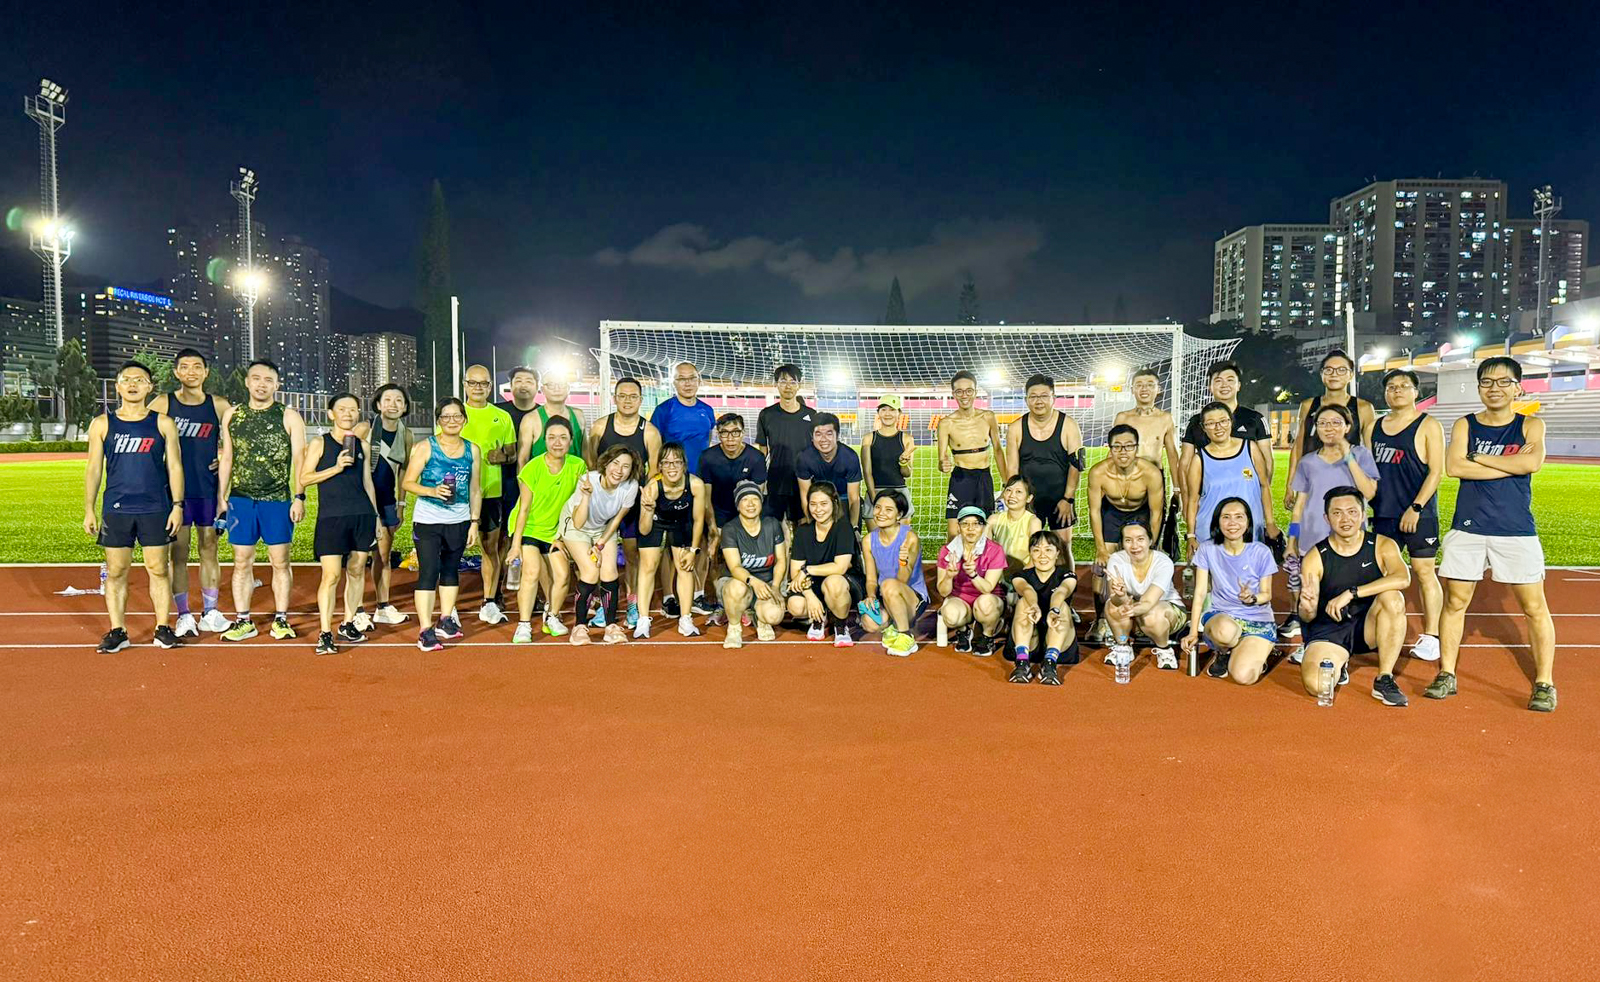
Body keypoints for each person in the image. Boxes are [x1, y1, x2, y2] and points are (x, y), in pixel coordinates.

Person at [1427, 357, 1557, 712]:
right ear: (1479, 387)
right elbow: (1454, 467)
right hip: (1468, 527)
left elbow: (1531, 463)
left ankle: (1544, 682)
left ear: (1518, 388)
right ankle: (1446, 673)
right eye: (1487, 382)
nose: (1494, 388)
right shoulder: (1465, 424)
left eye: (1503, 382)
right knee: (1455, 603)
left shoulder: (1531, 424)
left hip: (1516, 529)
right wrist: (1510, 465)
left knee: (1534, 607)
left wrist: (1479, 458)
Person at [83, 361, 185, 652]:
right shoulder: (102, 424)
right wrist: (89, 508)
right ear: (117, 387)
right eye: (127, 379)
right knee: (116, 571)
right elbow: (94, 469)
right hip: (117, 508)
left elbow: (175, 467)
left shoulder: (163, 423)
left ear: (149, 387)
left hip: (155, 507)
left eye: (140, 380)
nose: (132, 384)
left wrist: (177, 505)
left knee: (159, 569)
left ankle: (162, 629)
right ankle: (118, 631)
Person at [1296, 487, 1412, 707]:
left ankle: (1384, 678)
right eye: (1337, 513)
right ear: (1326, 518)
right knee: (1318, 686)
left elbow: (1403, 578)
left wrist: (1352, 593)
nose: (1345, 519)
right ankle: (1339, 663)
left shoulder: (1382, 545)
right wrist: (1307, 608)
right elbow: (1307, 617)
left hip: (1368, 627)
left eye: (1351, 512)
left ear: (1362, 514)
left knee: (1393, 597)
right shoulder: (1315, 557)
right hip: (1331, 629)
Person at [217, 359, 307, 642]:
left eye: (268, 380)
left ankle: (281, 619)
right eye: (256, 378)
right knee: (241, 561)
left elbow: (300, 460)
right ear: (247, 382)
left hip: (277, 500)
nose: (261, 384)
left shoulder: (289, 416)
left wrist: (299, 496)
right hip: (241, 500)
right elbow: (227, 457)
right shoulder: (232, 415)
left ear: (276, 385)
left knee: (280, 561)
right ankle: (243, 620)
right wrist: (221, 496)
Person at [149, 348, 231, 636]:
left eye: (197, 366)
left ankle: (210, 611)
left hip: (208, 489)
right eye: (185, 367)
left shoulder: (218, 405)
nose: (191, 372)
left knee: (210, 548)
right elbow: (145, 435)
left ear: (206, 372)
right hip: (175, 493)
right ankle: (184, 615)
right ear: (176, 372)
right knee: (179, 553)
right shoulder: (163, 403)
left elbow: (236, 444)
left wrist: (224, 460)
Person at [1284, 402, 1378, 644]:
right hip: (1312, 537)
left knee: (1345, 592)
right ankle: (1307, 636)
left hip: (1349, 540)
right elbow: (1299, 506)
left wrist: (1348, 456)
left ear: (1348, 427)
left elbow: (1369, 492)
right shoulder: (1307, 462)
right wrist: (1292, 539)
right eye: (1323, 423)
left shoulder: (1361, 455)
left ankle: (1351, 639)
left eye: (1336, 423)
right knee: (1309, 592)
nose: (1329, 428)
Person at [1370, 368, 1445, 662]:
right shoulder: (1374, 427)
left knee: (1424, 572)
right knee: (1381, 573)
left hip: (1418, 514)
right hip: (1384, 513)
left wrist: (1416, 507)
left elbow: (1436, 472)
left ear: (1416, 392)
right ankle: (1379, 628)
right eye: (1391, 386)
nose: (1397, 390)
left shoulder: (1428, 425)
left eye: (1403, 386)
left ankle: (1431, 636)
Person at [401, 397, 483, 652]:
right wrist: (432, 491)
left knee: (451, 569)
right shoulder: (426, 447)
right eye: (445, 417)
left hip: (459, 519)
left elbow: (475, 489)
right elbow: (407, 482)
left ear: (464, 420)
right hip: (428, 519)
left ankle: (445, 619)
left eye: (457, 416)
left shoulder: (472, 450)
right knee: (429, 571)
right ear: (438, 421)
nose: (452, 421)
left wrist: (474, 522)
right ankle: (425, 630)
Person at [299, 393, 378, 655]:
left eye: (353, 409)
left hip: (361, 515)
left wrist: (376, 516)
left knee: (356, 570)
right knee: (331, 575)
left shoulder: (362, 445)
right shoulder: (320, 443)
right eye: (342, 409)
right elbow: (305, 478)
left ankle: (348, 623)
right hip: (332, 517)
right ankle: (325, 633)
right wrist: (335, 467)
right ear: (331, 414)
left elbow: (367, 482)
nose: (348, 413)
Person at [586, 376, 661, 629]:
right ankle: (603, 603)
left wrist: (643, 497)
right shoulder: (600, 427)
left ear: (640, 400)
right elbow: (591, 464)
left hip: (633, 503)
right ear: (614, 398)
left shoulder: (649, 432)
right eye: (622, 396)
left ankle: (631, 603)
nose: (627, 401)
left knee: (631, 554)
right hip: (603, 502)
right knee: (599, 552)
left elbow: (654, 471)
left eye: (633, 396)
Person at [1180, 498, 1278, 684]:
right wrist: (1193, 632)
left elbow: (1267, 595)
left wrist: (1251, 598)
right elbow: (1200, 593)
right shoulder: (1207, 549)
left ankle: (1258, 652)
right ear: (1217, 521)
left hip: (1257, 619)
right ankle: (1223, 651)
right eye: (1226, 517)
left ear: (1248, 522)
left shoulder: (1261, 551)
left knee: (1243, 677)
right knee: (1224, 632)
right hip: (1223, 616)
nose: (1232, 523)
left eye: (1239, 517)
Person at [508, 416, 586, 643]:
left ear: (571, 440)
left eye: (563, 437)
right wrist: (515, 546)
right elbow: (523, 509)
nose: (557, 443)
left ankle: (551, 616)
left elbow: (576, 505)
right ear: (544, 441)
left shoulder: (578, 466)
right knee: (531, 572)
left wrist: (563, 535)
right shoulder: (533, 467)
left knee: (562, 576)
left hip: (555, 531)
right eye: (552, 438)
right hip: (529, 528)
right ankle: (523, 625)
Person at [650, 360, 719, 616]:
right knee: (671, 543)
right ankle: (669, 597)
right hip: (671, 486)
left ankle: (698, 594)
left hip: (698, 486)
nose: (687, 383)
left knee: (699, 540)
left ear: (699, 381)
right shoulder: (664, 410)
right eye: (682, 379)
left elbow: (706, 443)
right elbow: (655, 447)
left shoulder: (707, 411)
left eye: (692, 378)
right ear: (674, 382)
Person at [1086, 424, 1166, 644]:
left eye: (1129, 446)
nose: (1123, 452)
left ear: (1137, 448)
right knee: (1101, 567)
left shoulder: (1150, 473)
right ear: (1109, 448)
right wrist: (1101, 549)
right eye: (1117, 446)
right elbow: (1094, 511)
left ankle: (1140, 616)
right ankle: (1100, 618)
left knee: (1142, 561)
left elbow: (1156, 513)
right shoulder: (1098, 472)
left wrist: (1151, 544)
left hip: (1141, 513)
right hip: (1111, 513)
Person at [555, 445, 641, 645]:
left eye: (626, 466)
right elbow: (578, 522)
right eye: (615, 463)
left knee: (609, 572)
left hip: (603, 528)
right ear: (606, 463)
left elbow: (617, 519)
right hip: (575, 525)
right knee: (591, 571)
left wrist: (600, 544)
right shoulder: (589, 481)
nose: (619, 470)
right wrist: (586, 496)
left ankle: (610, 626)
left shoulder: (631, 486)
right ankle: (579, 626)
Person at [1179, 361, 1274, 529]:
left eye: (1230, 380)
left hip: (1246, 505)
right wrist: (1187, 502)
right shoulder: (1196, 422)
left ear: (1239, 385)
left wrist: (1259, 496)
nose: (1224, 385)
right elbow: (1184, 464)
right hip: (1210, 503)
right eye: (1218, 380)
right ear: (1209, 387)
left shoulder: (1255, 419)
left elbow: (1267, 461)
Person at [1184, 401, 1277, 566]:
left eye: (1223, 421)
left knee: (1249, 578)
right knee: (1212, 579)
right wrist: (1191, 535)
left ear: (1231, 422)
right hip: (1211, 532)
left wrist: (1269, 522)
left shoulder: (1250, 448)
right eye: (1211, 423)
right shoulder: (1199, 459)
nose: (1218, 427)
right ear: (1203, 428)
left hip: (1248, 531)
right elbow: (1193, 500)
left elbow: (1264, 486)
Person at [459, 365, 517, 626]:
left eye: (483, 383)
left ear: (491, 386)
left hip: (491, 491)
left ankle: (489, 600)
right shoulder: (455, 414)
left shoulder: (501, 416)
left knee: (490, 547)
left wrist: (501, 457)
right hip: (458, 492)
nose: (478, 387)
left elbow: (512, 454)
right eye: (473, 383)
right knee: (451, 548)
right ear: (465, 385)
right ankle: (449, 607)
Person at [1284, 350, 1377, 511]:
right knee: (1310, 523)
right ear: (1321, 374)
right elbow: (1299, 447)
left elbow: (1370, 451)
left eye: (1341, 370)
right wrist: (1290, 484)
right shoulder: (1308, 405)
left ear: (1351, 375)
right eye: (1329, 369)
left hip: (1347, 483)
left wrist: (1369, 485)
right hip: (1312, 482)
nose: (1334, 374)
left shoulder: (1363, 408)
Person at [353, 384, 413, 626]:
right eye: (387, 400)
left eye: (399, 400)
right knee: (358, 558)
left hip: (388, 500)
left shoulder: (406, 435)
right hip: (361, 501)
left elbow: (404, 470)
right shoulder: (364, 429)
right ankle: (356, 609)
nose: (393, 404)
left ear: (405, 407)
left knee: (383, 555)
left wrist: (401, 503)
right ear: (378, 405)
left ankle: (382, 606)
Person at [635, 442, 707, 639]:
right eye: (666, 463)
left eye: (677, 462)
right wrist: (648, 510)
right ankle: (643, 619)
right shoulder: (652, 488)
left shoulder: (696, 485)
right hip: (655, 521)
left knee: (685, 567)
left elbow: (698, 520)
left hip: (681, 522)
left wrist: (693, 550)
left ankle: (685, 619)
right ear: (659, 467)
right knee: (648, 566)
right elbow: (644, 529)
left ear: (684, 465)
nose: (672, 467)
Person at [1005, 373, 1083, 544]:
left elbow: (1076, 466)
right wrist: (1016, 500)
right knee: (1026, 546)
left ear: (1053, 398)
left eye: (1044, 396)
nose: (1038, 401)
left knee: (1063, 547)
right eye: (1033, 396)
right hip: (1029, 500)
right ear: (1026, 400)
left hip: (1060, 498)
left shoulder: (1069, 425)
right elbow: (1012, 469)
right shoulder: (1015, 428)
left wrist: (1068, 499)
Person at [787, 482, 866, 647]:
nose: (818, 509)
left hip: (844, 582)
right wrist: (810, 596)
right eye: (813, 504)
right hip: (815, 583)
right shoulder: (803, 531)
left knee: (833, 582)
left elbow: (840, 567)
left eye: (824, 504)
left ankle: (840, 625)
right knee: (795, 605)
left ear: (834, 503)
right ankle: (820, 618)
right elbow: (795, 571)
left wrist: (806, 570)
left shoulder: (843, 527)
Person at [698, 413, 767, 595]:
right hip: (717, 511)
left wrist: (743, 528)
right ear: (718, 435)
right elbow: (706, 498)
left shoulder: (756, 458)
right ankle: (718, 598)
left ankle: (747, 595)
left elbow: (755, 499)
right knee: (714, 554)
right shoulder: (708, 458)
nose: (730, 438)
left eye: (735, 432)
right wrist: (713, 527)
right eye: (724, 433)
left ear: (743, 433)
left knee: (743, 556)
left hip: (744, 514)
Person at [1104, 521, 1188, 671]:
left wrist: (1131, 609)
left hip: (1164, 611)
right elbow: (1115, 599)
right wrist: (1121, 596)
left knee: (1151, 614)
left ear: (1150, 541)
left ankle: (1164, 649)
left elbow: (1148, 602)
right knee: (1111, 607)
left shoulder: (1163, 562)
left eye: (1140, 539)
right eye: (1128, 540)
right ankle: (1123, 645)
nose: (1134, 545)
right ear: (1122, 543)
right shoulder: (1116, 560)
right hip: (1135, 611)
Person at [1113, 368, 1182, 552]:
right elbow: (1113, 451)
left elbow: (1173, 454)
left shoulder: (1165, 418)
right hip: (1126, 478)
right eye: (1139, 385)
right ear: (1132, 389)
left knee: (1153, 528)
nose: (1144, 389)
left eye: (1150, 385)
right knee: (1123, 530)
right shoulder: (1123, 417)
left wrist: (1177, 489)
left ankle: (1152, 561)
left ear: (1158, 389)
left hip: (1154, 479)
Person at [938, 370, 1009, 541]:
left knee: (986, 530)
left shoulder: (988, 417)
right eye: (959, 391)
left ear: (976, 392)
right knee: (954, 533)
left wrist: (1006, 482)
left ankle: (984, 560)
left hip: (984, 477)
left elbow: (998, 450)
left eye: (969, 390)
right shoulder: (946, 423)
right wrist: (943, 464)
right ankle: (953, 560)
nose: (964, 395)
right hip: (960, 479)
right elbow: (941, 459)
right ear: (953, 394)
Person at [717, 481, 789, 649]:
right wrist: (754, 582)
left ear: (761, 502)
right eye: (745, 499)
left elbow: (781, 560)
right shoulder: (730, 529)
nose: (750, 504)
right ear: (738, 505)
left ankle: (760, 619)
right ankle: (734, 628)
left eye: (755, 499)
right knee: (737, 588)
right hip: (739, 582)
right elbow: (735, 567)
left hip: (766, 583)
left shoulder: (772, 524)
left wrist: (776, 586)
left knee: (774, 615)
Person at [859, 488, 926, 656]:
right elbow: (871, 579)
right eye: (878, 507)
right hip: (886, 594)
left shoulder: (909, 538)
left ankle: (906, 635)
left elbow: (902, 580)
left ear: (899, 515)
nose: (881, 513)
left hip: (911, 597)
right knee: (869, 622)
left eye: (888, 510)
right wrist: (871, 596)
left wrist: (903, 562)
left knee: (889, 585)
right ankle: (893, 627)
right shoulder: (868, 540)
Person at [1007, 530, 1079, 685]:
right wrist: (1034, 606)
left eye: (1048, 550)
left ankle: (1049, 664)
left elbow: (1061, 591)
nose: (1042, 555)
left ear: (1057, 553)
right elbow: (1027, 589)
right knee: (1024, 602)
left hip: (1059, 640)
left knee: (1062, 606)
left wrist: (1054, 610)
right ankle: (1022, 663)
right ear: (1030, 553)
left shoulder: (1067, 575)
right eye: (1036, 550)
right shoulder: (1020, 575)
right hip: (1029, 640)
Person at [936, 505, 1008, 655]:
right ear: (958, 527)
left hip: (988, 597)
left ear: (983, 527)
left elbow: (987, 588)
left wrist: (973, 574)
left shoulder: (995, 550)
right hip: (960, 598)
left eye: (976, 524)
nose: (970, 529)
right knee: (949, 615)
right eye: (965, 524)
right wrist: (949, 576)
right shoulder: (947, 551)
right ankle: (964, 631)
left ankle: (987, 635)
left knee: (985, 605)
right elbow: (943, 592)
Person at [496, 366, 541, 604]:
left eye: (529, 381)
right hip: (502, 483)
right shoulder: (498, 412)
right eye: (518, 380)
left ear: (537, 387)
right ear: (511, 385)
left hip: (536, 486)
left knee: (533, 536)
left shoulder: (543, 415)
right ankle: (496, 591)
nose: (523, 385)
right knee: (503, 537)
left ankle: (534, 592)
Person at [755, 364, 814, 526]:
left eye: (793, 382)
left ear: (799, 385)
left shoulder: (811, 415)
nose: (788, 386)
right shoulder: (766, 415)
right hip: (777, 479)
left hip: (803, 479)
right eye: (783, 381)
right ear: (776, 384)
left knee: (803, 524)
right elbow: (762, 450)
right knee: (775, 526)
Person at [795, 413, 864, 528]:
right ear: (812, 437)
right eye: (818, 434)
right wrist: (811, 524)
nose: (823, 439)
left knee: (845, 531)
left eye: (829, 433)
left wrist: (854, 527)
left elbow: (854, 498)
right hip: (818, 499)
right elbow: (805, 495)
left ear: (837, 436)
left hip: (843, 497)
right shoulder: (804, 458)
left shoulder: (849, 457)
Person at [861, 395, 914, 517]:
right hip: (875, 491)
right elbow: (867, 472)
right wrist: (874, 498)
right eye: (883, 409)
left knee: (902, 530)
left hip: (899, 492)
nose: (887, 414)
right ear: (878, 413)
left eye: (892, 410)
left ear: (899, 413)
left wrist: (903, 463)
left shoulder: (907, 439)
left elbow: (907, 473)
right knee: (875, 530)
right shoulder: (868, 439)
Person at [986, 475, 1043, 578]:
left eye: (1018, 492)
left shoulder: (1033, 522)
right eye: (1008, 490)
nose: (1012, 495)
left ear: (1029, 498)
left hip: (1025, 575)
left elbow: (1036, 556)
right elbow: (982, 551)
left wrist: (1019, 578)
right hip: (998, 575)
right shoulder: (993, 520)